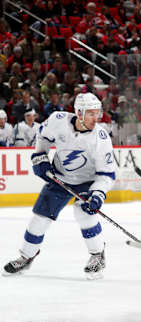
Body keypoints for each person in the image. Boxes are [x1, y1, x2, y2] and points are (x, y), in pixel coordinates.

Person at [3, 93, 116, 279]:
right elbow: (43, 137)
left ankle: (97, 256)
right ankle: (26, 256)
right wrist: (40, 157)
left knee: (84, 215)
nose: (96, 119)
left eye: (98, 114)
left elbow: (107, 173)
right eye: (91, 114)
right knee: (39, 218)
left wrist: (97, 194)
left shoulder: (101, 138)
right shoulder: (58, 120)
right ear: (79, 113)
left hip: (87, 181)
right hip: (60, 178)